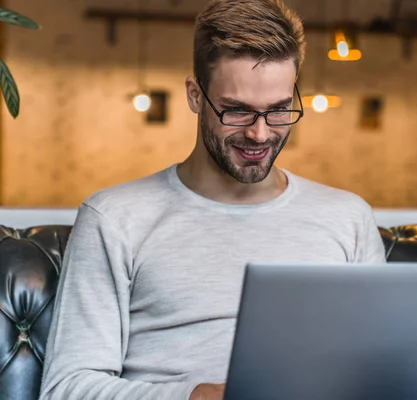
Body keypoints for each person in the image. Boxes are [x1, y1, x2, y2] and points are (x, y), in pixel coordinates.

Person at [38, 0, 386, 399]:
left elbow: (376, 370)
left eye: (278, 110)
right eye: (236, 111)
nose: (260, 134)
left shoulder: (348, 217)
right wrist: (202, 396)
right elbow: (67, 389)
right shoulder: (115, 217)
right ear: (194, 95)